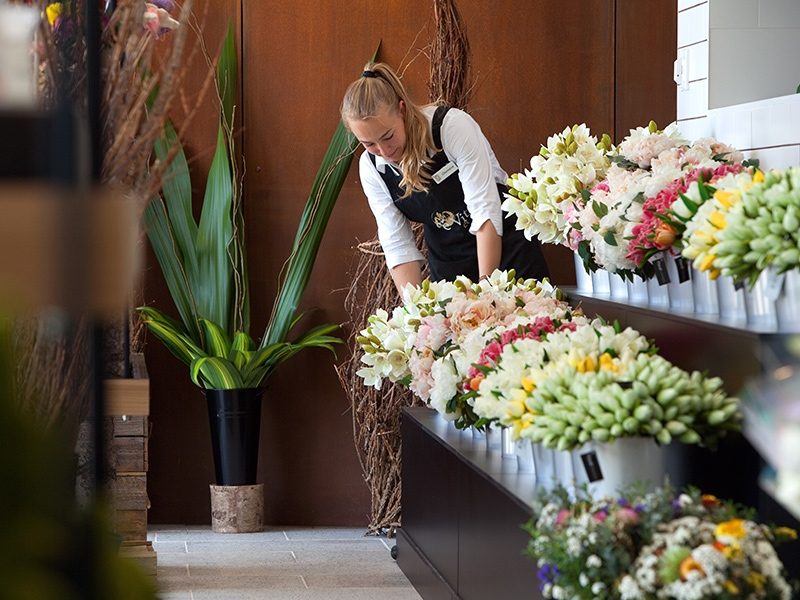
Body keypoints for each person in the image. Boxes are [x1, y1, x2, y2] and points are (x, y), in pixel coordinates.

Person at [341, 61, 549, 293]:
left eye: (388, 136)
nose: (384, 150)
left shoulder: (450, 127)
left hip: (506, 246)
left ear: (402, 110)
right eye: (369, 144)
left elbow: (485, 211)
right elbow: (397, 244)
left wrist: (485, 293)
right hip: (449, 260)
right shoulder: (371, 168)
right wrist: (417, 312)